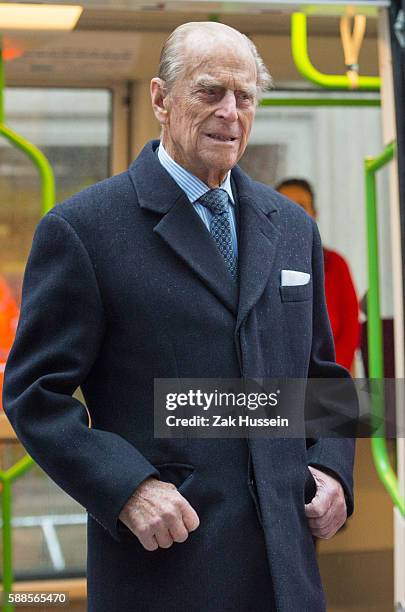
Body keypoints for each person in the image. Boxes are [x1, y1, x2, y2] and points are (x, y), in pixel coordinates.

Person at [3, 22, 355, 612]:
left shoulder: (293, 228)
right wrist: (126, 488)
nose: (230, 113)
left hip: (286, 576)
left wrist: (333, 471)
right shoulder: (84, 230)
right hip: (167, 568)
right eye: (210, 92)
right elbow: (35, 393)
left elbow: (324, 376)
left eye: (245, 98)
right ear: (161, 99)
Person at [276, 178, 360, 372]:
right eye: (284, 205)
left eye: (301, 206)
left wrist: (330, 376)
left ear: (314, 214)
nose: (293, 213)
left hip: (331, 379)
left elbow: (350, 330)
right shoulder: (260, 265)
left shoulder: (335, 264)